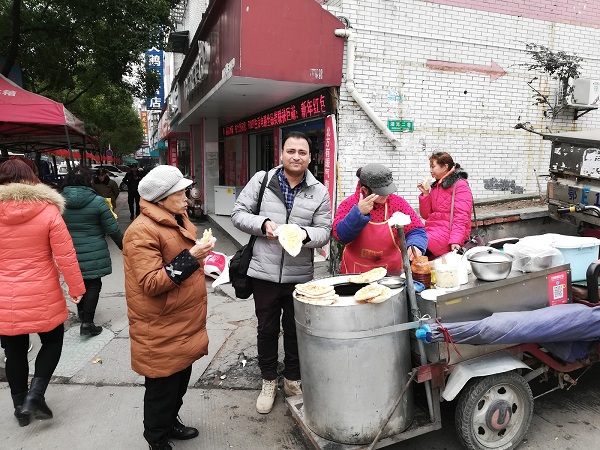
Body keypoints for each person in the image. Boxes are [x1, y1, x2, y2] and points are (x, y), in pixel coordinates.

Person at [231, 131, 332, 415]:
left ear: (310, 157)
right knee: (266, 329)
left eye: (302, 152)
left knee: (295, 330)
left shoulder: (318, 191)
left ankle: (292, 378)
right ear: (282, 153)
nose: (296, 156)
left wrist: (303, 233)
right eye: (291, 151)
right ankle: (267, 380)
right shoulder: (263, 180)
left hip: (299, 276)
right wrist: (263, 224)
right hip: (263, 272)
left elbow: (324, 231)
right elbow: (238, 213)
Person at [123, 165, 214, 450]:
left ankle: (170, 422)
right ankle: (157, 439)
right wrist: (192, 257)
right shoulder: (141, 232)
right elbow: (150, 282)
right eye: (181, 192)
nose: (187, 197)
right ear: (161, 199)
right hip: (159, 325)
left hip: (181, 321)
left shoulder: (176, 219)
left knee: (180, 379)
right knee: (161, 388)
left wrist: (203, 259)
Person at [0, 159, 84, 426]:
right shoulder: (48, 211)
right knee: (52, 340)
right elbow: (66, 255)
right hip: (42, 290)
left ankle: (19, 407)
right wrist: (77, 288)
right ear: (32, 178)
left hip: (4, 294)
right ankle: (35, 396)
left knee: (14, 349)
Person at [61, 166, 124, 336]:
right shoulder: (98, 202)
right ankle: (87, 322)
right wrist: (124, 247)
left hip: (68, 252)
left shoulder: (58, 202)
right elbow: (112, 229)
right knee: (93, 283)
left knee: (77, 282)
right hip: (94, 250)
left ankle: (82, 314)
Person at [333, 163, 428, 274]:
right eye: (381, 192)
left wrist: (415, 244)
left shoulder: (398, 203)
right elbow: (340, 236)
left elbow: (416, 230)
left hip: (392, 273)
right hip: (355, 273)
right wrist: (358, 213)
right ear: (364, 190)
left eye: (388, 190)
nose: (386, 195)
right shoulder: (348, 205)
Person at [417, 151, 473, 258]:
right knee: (412, 237)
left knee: (419, 243)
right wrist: (425, 194)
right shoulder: (437, 186)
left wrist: (456, 240)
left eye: (433, 167)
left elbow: (462, 216)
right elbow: (426, 215)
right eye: (430, 167)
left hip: (450, 233)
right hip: (433, 229)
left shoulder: (460, 185)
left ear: (445, 167)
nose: (431, 170)